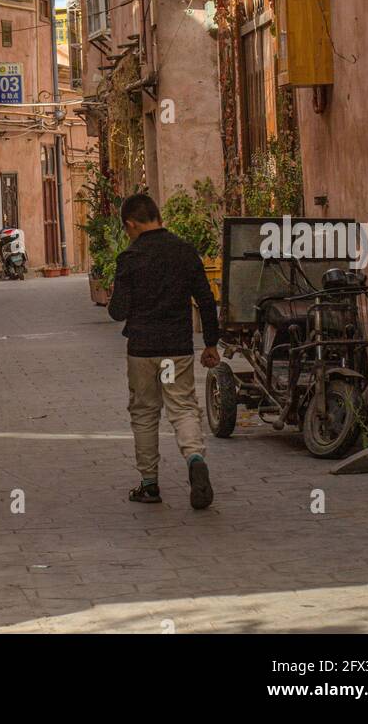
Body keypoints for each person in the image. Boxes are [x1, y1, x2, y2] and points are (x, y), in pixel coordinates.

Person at [108, 192, 220, 510]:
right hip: (176, 349)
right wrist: (211, 342)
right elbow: (206, 300)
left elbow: (117, 311)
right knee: (183, 407)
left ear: (131, 224)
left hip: (142, 350)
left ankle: (149, 484)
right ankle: (194, 457)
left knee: (144, 412)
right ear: (157, 216)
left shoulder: (129, 259)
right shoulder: (184, 252)